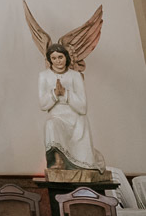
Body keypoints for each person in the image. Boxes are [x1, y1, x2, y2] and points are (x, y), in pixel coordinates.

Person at [38, 43, 104, 172]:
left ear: (66, 57)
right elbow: (43, 105)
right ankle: (58, 161)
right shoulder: (43, 76)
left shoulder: (75, 75)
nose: (58, 61)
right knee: (51, 125)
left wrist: (66, 93)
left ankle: (81, 162)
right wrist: (54, 94)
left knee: (81, 126)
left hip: (76, 118)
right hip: (57, 116)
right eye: (54, 58)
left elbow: (83, 107)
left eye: (60, 57)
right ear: (50, 60)